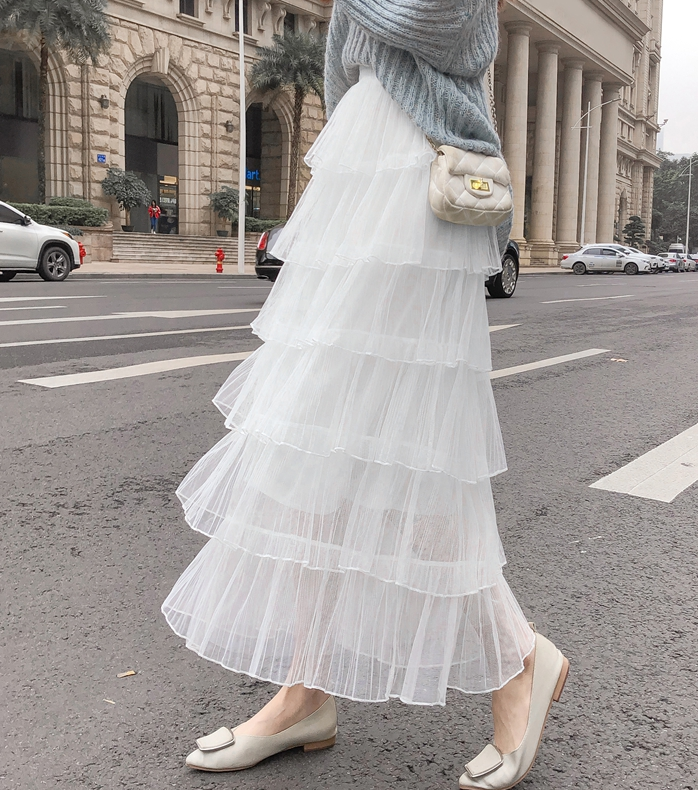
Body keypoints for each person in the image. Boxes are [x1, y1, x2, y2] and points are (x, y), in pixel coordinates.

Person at [161, 2, 569, 788]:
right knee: (308, 437)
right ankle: (306, 690)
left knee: (406, 448)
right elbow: (343, 64)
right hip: (357, 168)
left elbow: (454, 28)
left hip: (417, 179)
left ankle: (518, 660)